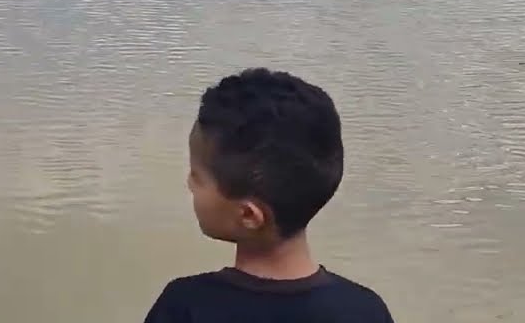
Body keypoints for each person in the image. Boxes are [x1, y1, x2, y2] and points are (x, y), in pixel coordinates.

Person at [143, 68, 395, 323]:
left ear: (249, 215)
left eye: (197, 177)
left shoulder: (185, 307)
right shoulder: (366, 311)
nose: (189, 183)